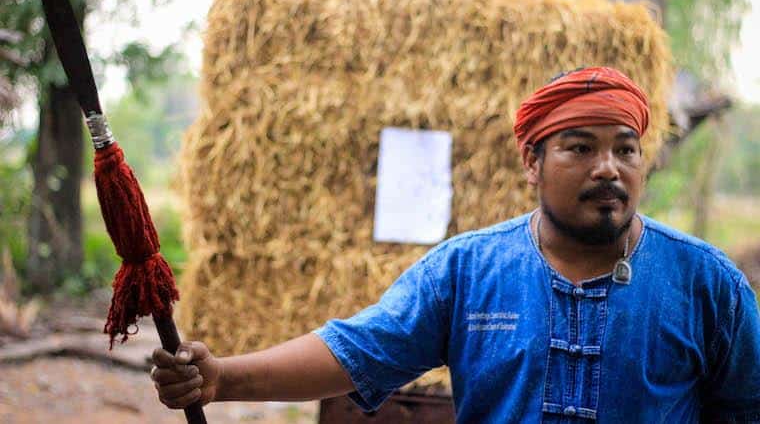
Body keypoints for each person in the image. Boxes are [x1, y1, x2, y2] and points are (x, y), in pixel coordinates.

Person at [151, 67, 760, 422]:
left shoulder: (706, 282)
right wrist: (221, 379)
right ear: (532, 161)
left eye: (625, 149)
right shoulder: (469, 270)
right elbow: (355, 351)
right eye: (579, 147)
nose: (609, 168)